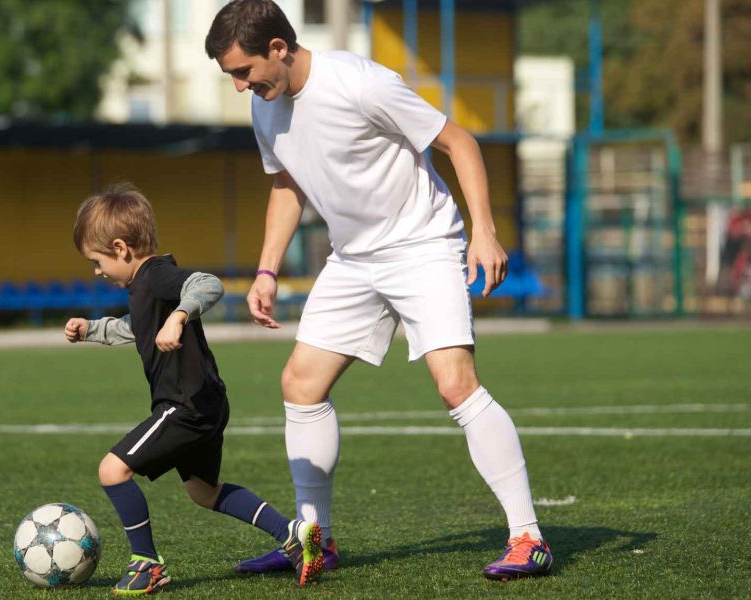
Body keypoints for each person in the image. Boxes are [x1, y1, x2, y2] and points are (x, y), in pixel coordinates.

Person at [204, 0, 553, 582]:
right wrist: (266, 270)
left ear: (279, 49)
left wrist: (485, 233)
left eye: (244, 72)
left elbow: (460, 142)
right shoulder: (267, 107)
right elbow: (287, 186)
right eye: (231, 77)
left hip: (422, 244)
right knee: (301, 383)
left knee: (454, 384)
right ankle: (315, 541)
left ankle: (528, 537)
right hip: (353, 259)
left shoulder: (361, 83)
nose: (241, 87)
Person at [64, 182, 324, 596]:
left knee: (112, 470)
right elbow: (140, 328)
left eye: (97, 262)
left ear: (120, 247)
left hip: (184, 405)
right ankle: (292, 535)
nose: (97, 272)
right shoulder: (143, 287)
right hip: (206, 401)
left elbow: (209, 283)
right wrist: (92, 329)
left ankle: (147, 565)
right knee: (204, 492)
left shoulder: (156, 275)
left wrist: (180, 316)